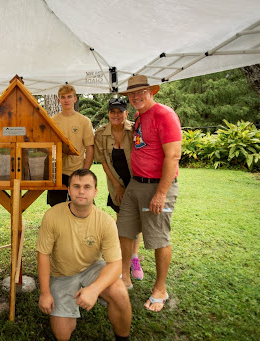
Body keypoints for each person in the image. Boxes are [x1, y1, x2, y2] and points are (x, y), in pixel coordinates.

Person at [37, 169, 132, 341]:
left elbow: (115, 264)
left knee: (120, 292)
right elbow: (43, 255)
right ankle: (70, 306)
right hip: (62, 275)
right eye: (76, 186)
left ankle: (123, 338)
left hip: (93, 268)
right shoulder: (51, 216)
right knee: (62, 333)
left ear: (95, 191)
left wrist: (95, 289)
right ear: (69, 190)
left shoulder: (106, 221)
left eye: (87, 187)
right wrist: (45, 292)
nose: (81, 191)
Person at [117, 75, 181, 312]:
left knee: (158, 238)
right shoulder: (139, 116)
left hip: (158, 186)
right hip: (136, 184)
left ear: (151, 92)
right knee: (124, 230)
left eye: (141, 92)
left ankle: (160, 289)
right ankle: (125, 276)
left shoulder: (165, 115)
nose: (136, 97)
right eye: (132, 94)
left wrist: (161, 193)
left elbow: (173, 156)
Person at [94, 97, 144, 283]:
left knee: (135, 220)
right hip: (116, 182)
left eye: (120, 111)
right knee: (122, 220)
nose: (116, 115)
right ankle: (121, 257)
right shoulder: (101, 134)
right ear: (109, 113)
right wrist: (116, 185)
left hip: (136, 179)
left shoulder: (134, 130)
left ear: (126, 113)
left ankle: (133, 257)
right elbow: (104, 162)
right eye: (113, 112)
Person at [47, 85, 94, 207]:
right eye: (63, 97)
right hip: (58, 172)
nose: (66, 100)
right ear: (59, 100)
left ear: (75, 99)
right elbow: (49, 147)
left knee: (82, 206)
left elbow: (89, 148)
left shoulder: (84, 121)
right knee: (56, 208)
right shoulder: (53, 121)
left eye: (69, 97)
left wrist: (85, 171)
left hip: (77, 171)